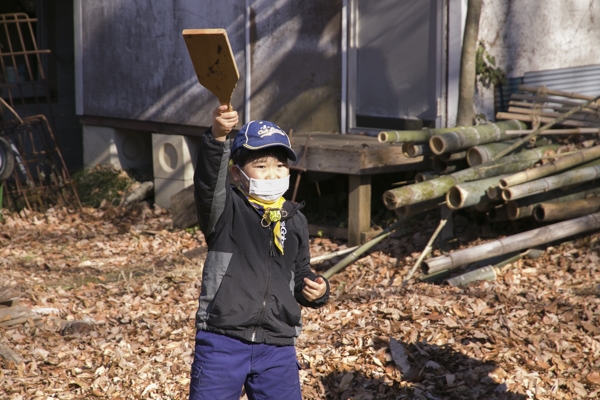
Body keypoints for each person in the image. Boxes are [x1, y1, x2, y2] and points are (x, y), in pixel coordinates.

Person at [189, 105, 330, 400]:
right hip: (222, 340)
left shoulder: (295, 219)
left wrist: (318, 290)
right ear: (237, 173)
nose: (272, 174)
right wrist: (218, 137)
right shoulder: (225, 211)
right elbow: (208, 182)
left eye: (280, 166)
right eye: (261, 166)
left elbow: (300, 272)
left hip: (277, 345)